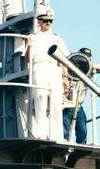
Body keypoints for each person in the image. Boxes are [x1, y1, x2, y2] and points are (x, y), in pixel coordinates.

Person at [25, 9, 69, 141]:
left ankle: (57, 135)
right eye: (45, 20)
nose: (48, 23)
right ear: (39, 22)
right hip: (39, 67)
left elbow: (64, 59)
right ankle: (40, 134)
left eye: (50, 21)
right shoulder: (32, 37)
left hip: (54, 69)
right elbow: (28, 59)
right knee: (40, 99)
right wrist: (28, 47)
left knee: (56, 102)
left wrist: (64, 76)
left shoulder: (57, 38)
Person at [63, 47, 100, 144]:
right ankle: (64, 142)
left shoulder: (88, 72)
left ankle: (81, 145)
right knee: (65, 129)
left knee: (82, 130)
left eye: (87, 57)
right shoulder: (69, 70)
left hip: (79, 106)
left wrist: (88, 66)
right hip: (68, 104)